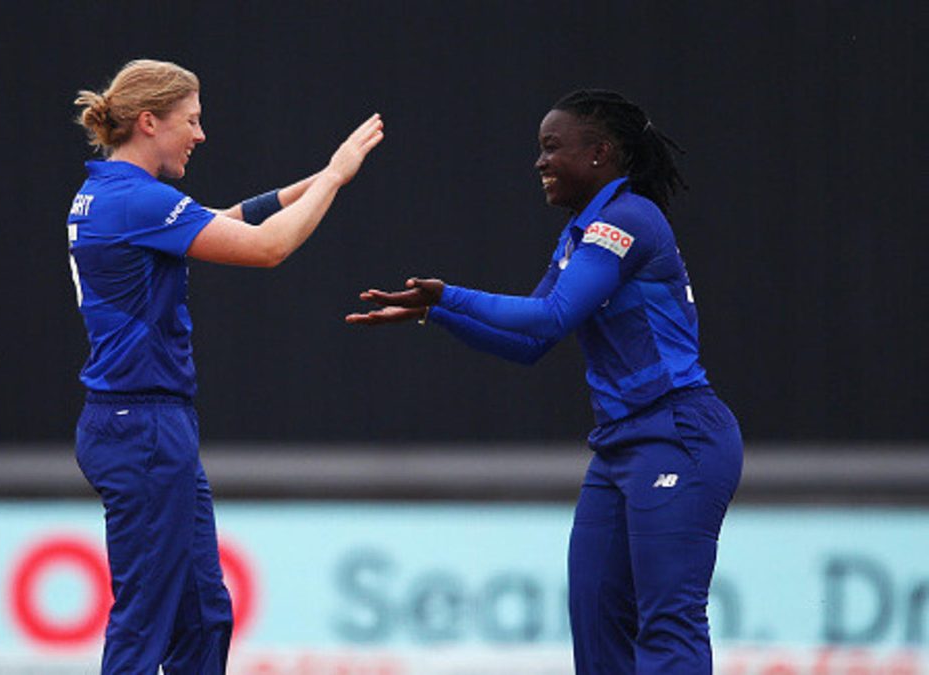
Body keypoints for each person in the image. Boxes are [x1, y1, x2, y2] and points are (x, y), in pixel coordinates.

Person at [346, 89, 741, 674]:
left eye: (552, 148)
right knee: (596, 625)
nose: (539, 162)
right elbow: (530, 343)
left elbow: (551, 316)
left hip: (678, 432)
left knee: (667, 623)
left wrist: (450, 293)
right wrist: (437, 313)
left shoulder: (627, 218)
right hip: (619, 446)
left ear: (601, 154)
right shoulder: (582, 232)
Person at [67, 59, 383, 674]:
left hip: (146, 423)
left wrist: (322, 179)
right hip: (143, 427)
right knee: (146, 618)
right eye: (191, 120)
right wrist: (338, 177)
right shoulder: (135, 201)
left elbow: (225, 221)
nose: (200, 135)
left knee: (204, 613)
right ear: (150, 121)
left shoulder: (113, 193)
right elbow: (267, 248)